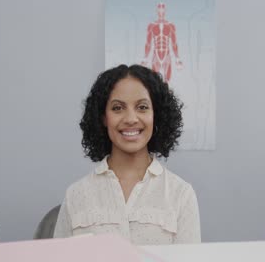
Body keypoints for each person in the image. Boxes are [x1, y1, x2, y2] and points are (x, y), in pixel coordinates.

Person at [54, 64, 200, 245]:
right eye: (117, 108)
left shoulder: (181, 195)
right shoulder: (76, 195)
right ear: (103, 118)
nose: (131, 119)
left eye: (142, 107)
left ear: (157, 116)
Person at [141, 3, 183, 83]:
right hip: (155, 56)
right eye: (159, 8)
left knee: (167, 81)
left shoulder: (170, 25)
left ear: (165, 10)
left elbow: (174, 43)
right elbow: (148, 43)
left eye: (162, 8)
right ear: (156, 10)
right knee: (155, 81)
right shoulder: (152, 25)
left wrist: (177, 58)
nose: (161, 10)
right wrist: (145, 58)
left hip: (166, 55)